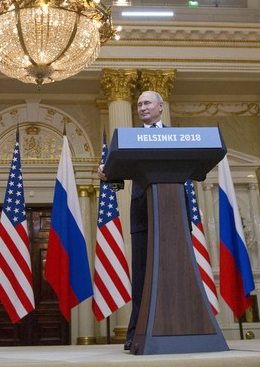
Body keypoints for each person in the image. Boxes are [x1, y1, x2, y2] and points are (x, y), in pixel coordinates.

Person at [97, 90, 165, 351]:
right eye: (138, 104)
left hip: (173, 218)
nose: (142, 107)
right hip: (142, 215)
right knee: (142, 276)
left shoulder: (177, 137)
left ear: (160, 106)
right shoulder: (129, 138)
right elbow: (117, 181)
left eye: (147, 103)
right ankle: (136, 333)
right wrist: (107, 176)